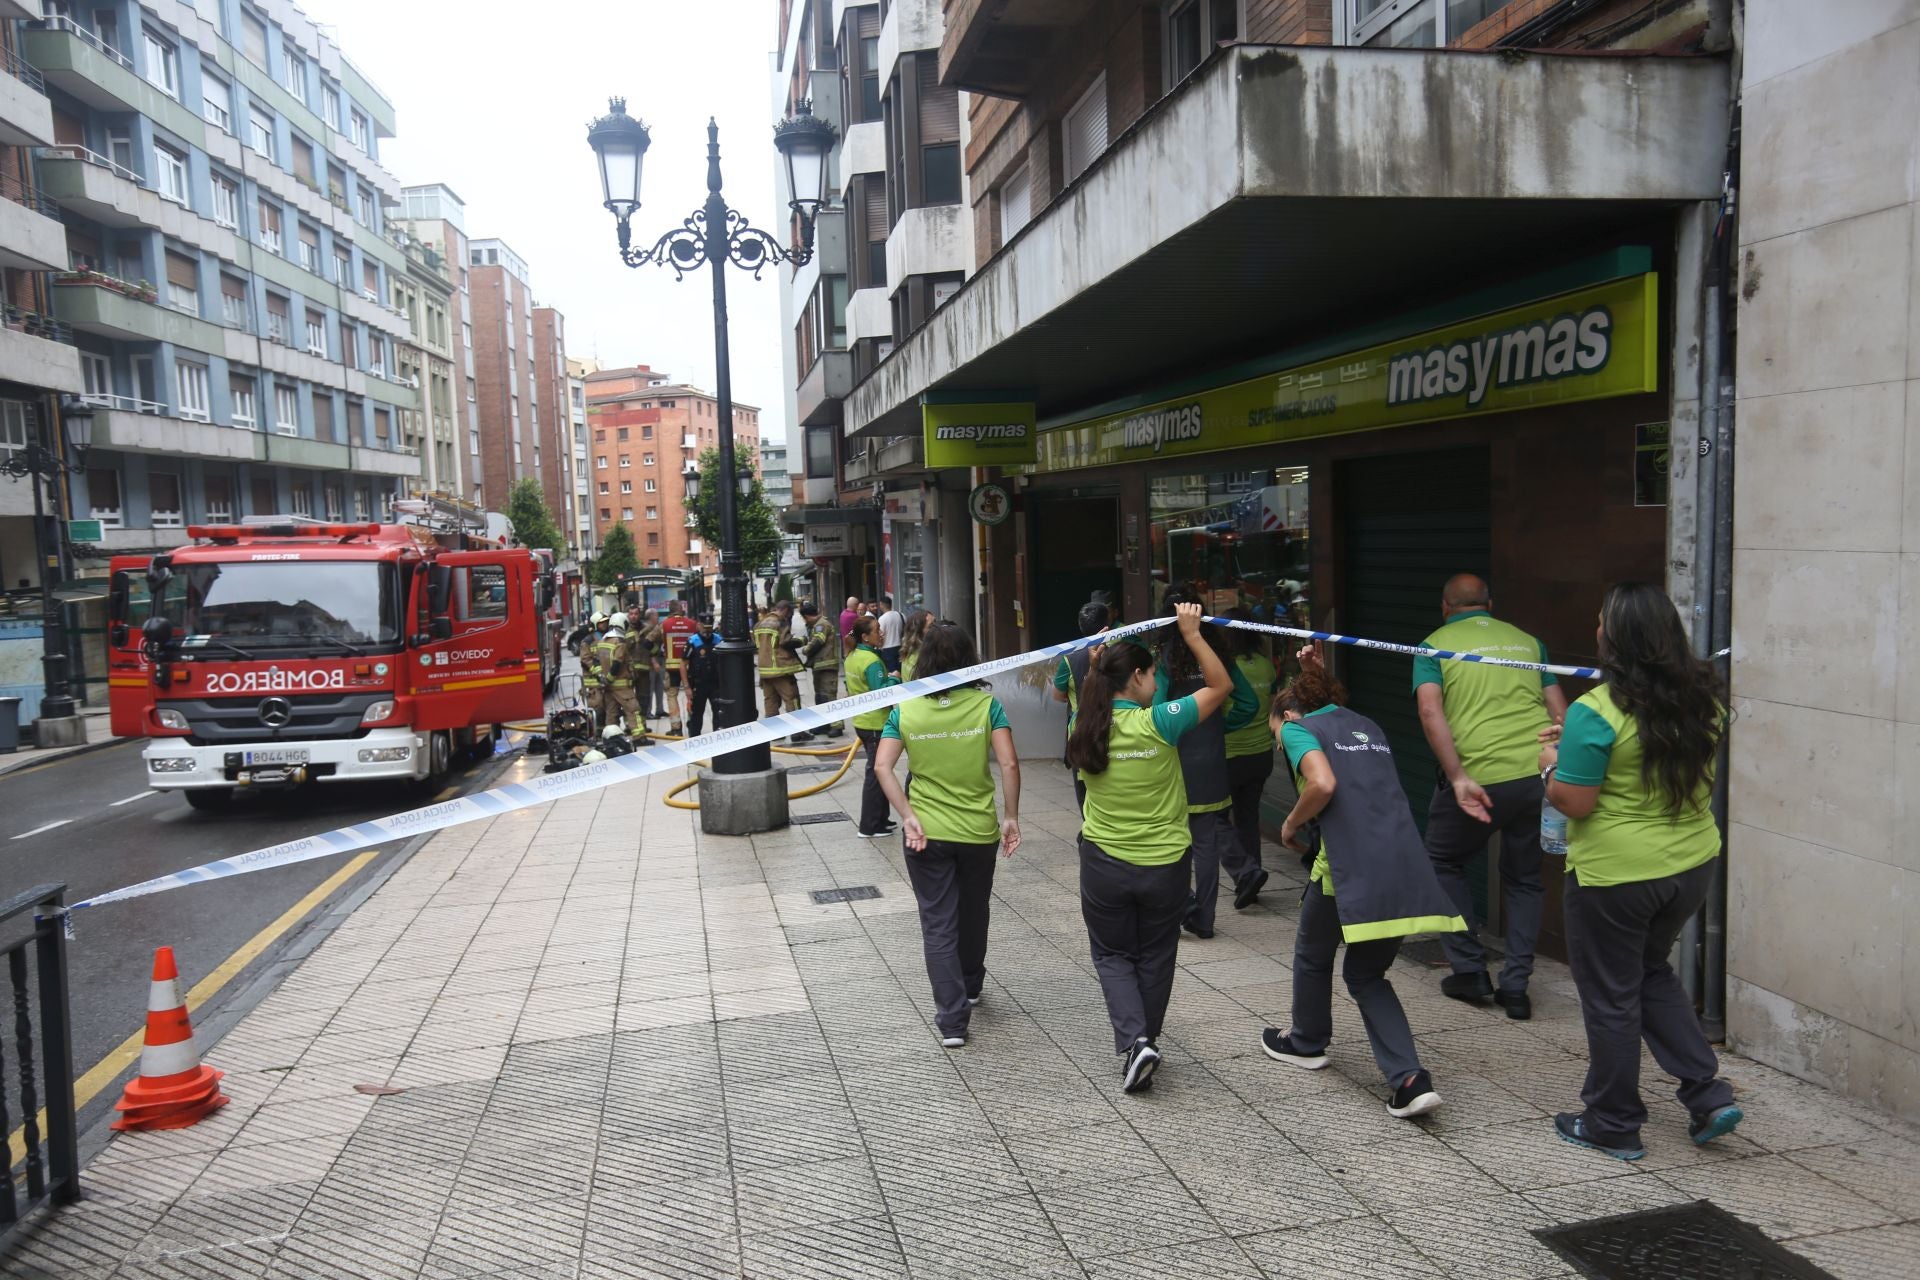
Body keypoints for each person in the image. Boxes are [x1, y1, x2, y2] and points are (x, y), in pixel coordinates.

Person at [1537, 582, 1741, 1161]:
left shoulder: (1597, 710)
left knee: (1610, 996)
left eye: (1603, 621)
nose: (1596, 628)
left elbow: (1574, 801)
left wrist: (1548, 766)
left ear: (1618, 638)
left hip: (1617, 876)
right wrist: (1573, 749)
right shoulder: (1707, 703)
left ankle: (1612, 1121)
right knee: (1650, 972)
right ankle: (1708, 1092)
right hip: (1691, 864)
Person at [1260, 645, 1463, 1120]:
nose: (1278, 742)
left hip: (1346, 871)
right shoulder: (1365, 725)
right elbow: (1331, 709)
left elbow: (1323, 783)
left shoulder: (1297, 728)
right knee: (1367, 974)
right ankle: (1411, 1080)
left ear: (1288, 714)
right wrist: (1314, 673)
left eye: (1275, 732)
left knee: (1312, 956)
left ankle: (1307, 1042)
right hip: (1403, 864)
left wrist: (1289, 825)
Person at [1068, 602, 1231, 1094]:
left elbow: (1088, 694)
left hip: (1104, 865)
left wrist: (1097, 666)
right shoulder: (1160, 721)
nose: (1159, 683)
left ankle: (1136, 1041)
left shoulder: (1085, 726)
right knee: (1156, 955)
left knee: (1113, 955)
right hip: (1165, 865)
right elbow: (1220, 687)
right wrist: (1193, 634)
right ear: (1136, 677)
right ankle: (1146, 1040)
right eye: (1154, 674)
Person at [1417, 572, 1568, 1019]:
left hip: (1478, 777)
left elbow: (1430, 710)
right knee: (1524, 878)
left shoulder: (1433, 645)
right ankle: (1516, 986)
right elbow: (1562, 712)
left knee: (1441, 861)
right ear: (1490, 604)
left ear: (1446, 606)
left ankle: (1468, 969)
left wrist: (1457, 774)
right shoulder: (1528, 642)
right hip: (1536, 775)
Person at [873, 622, 1021, 1047]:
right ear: (968, 658)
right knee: (974, 911)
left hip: (926, 833)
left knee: (938, 921)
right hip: (978, 830)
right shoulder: (986, 705)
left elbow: (883, 766)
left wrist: (907, 814)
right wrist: (1010, 816)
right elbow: (1009, 764)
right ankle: (971, 983)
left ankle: (952, 1021)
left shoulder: (905, 709)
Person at [1153, 594, 1262, 939]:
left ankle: (1182, 906)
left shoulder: (1166, 659)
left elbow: (1155, 712)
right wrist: (1217, 725)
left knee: (1170, 841)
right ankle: (1205, 918)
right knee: (1206, 844)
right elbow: (1248, 703)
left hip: (1175, 761)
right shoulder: (1219, 658)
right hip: (1213, 761)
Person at [1224, 608, 1279, 901]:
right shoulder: (1265, 666)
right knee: (1248, 818)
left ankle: (1245, 872)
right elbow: (1271, 706)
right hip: (1261, 754)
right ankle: (1252, 875)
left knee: (1218, 818)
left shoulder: (1226, 667)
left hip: (1230, 753)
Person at [1051, 600, 1110, 815]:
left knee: (1084, 789)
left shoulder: (1070, 658)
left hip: (1081, 732)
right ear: (1107, 623)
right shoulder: (1119, 651)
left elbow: (1058, 695)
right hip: (1116, 726)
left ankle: (1089, 829)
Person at [845, 616, 898, 837]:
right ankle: (869, 826)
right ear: (865, 637)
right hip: (875, 723)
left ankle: (881, 819)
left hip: (862, 721)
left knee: (879, 770)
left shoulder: (852, 657)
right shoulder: (872, 661)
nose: (882, 633)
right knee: (877, 773)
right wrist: (895, 678)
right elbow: (881, 694)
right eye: (877, 630)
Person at [753, 600, 810, 742]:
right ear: (785, 610)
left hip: (765, 670)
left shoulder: (760, 623)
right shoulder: (780, 623)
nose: (788, 617)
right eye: (789, 614)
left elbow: (756, 644)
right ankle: (798, 732)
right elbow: (785, 641)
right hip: (780, 668)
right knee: (792, 698)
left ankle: (775, 732)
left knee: (770, 701)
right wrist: (802, 640)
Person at [799, 602, 844, 737]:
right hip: (820, 666)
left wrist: (805, 649)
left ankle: (837, 726)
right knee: (820, 696)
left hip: (827, 666)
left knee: (829, 696)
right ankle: (823, 724)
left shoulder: (821, 624)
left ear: (806, 616)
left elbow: (818, 641)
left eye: (804, 618)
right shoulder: (817, 624)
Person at [594, 613, 642, 736]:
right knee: (633, 710)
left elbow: (596, 662)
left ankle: (612, 737)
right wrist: (609, 679)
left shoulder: (602, 641)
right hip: (621, 686)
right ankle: (639, 737)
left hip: (608, 687)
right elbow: (617, 663)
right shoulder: (619, 642)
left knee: (611, 713)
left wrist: (603, 679)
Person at [660, 601, 698, 736]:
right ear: (681, 609)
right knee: (691, 694)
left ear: (670, 611)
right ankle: (692, 723)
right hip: (690, 666)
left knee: (672, 695)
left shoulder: (664, 624)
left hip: (671, 668)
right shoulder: (692, 624)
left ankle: (676, 728)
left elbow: (648, 642)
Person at [682, 614, 719, 737]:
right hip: (698, 684)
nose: (707, 631)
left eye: (709, 628)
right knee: (696, 716)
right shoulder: (693, 641)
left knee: (719, 714)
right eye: (704, 628)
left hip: (716, 684)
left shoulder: (718, 640)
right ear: (698, 625)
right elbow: (683, 664)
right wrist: (687, 687)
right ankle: (694, 740)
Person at [580, 611, 610, 729]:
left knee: (610, 707)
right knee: (597, 707)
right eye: (601, 623)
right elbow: (585, 660)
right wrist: (598, 672)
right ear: (595, 624)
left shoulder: (609, 637)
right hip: (593, 682)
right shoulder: (587, 641)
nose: (605, 624)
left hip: (608, 679)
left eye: (606, 622)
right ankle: (597, 732)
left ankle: (610, 731)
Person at [642, 609, 669, 719]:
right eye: (656, 615)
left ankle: (660, 709)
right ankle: (648, 712)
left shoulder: (656, 627)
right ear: (651, 616)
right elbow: (646, 646)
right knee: (650, 688)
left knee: (659, 686)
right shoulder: (647, 628)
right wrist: (654, 661)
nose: (658, 617)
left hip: (660, 659)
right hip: (651, 662)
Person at [898, 608, 932, 680]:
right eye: (931, 626)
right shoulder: (917, 657)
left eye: (936, 622)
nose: (937, 628)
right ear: (918, 632)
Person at [876, 596, 904, 672]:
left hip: (887, 650)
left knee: (892, 674)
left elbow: (880, 635)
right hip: (901, 648)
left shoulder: (882, 619)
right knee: (901, 671)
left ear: (881, 604)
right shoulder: (901, 615)